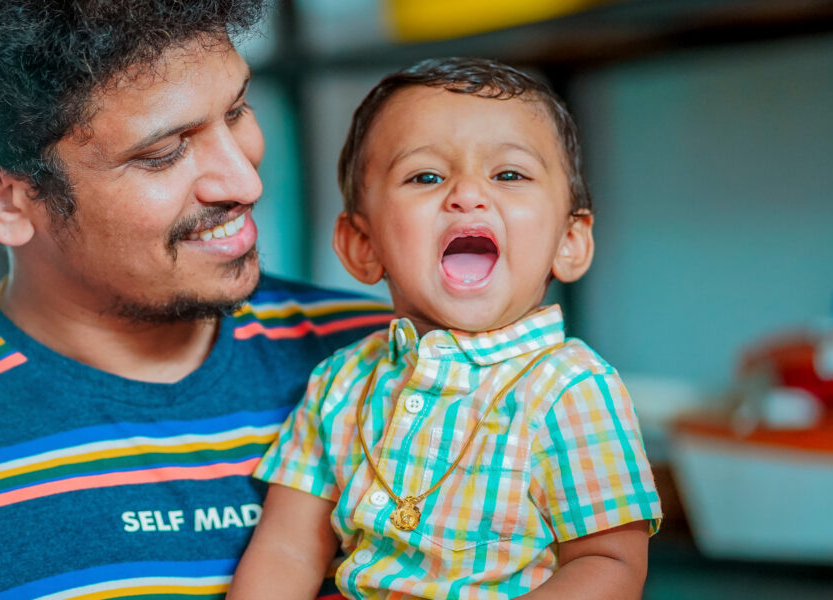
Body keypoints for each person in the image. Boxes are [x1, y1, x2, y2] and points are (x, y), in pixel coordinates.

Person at [0, 1, 393, 598]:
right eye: (163, 153)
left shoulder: (393, 358)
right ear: (3, 199)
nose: (244, 180)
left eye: (237, 111)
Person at [229, 58, 663, 600]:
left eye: (509, 175)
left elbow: (610, 563)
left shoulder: (571, 389)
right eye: (426, 177)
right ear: (363, 246)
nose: (467, 194)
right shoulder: (340, 384)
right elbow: (287, 549)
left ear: (569, 242)